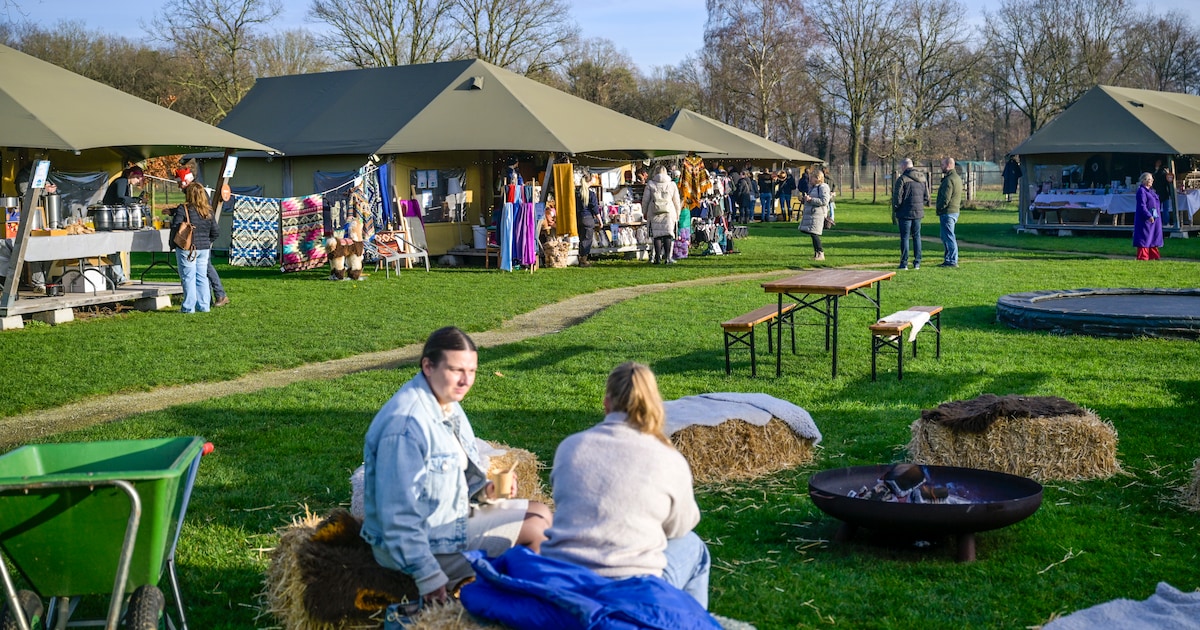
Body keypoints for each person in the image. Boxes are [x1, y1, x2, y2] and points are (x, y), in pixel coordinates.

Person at [360, 327, 553, 604]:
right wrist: (428, 577)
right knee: (536, 531)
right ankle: (526, 610)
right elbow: (397, 519)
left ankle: (517, 600)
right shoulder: (405, 426)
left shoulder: (447, 402)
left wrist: (488, 493)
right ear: (428, 365)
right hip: (414, 548)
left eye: (472, 371)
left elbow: (452, 485)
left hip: (445, 522)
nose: (466, 380)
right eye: (456, 370)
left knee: (541, 512)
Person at [540, 362, 711, 609]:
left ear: (606, 402)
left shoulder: (570, 447)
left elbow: (564, 501)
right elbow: (681, 526)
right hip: (630, 584)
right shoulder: (668, 459)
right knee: (694, 545)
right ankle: (685, 621)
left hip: (564, 576)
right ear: (655, 403)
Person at [170, 169, 230, 307]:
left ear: (185, 181)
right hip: (203, 244)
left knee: (190, 277)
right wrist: (207, 241)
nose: (179, 186)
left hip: (191, 246)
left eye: (179, 182)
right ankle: (205, 303)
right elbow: (213, 227)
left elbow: (184, 217)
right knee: (202, 276)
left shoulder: (187, 202)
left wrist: (173, 244)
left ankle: (202, 301)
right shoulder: (205, 206)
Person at [892, 158, 929, 270]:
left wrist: (896, 208)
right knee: (917, 237)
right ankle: (917, 262)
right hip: (918, 212)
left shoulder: (902, 179)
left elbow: (897, 198)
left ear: (904, 167)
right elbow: (926, 196)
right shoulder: (922, 178)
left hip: (904, 213)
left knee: (905, 237)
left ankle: (904, 263)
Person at [644, 165, 682, 265]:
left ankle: (657, 258)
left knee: (657, 236)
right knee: (667, 235)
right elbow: (676, 201)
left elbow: (645, 200)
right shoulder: (672, 184)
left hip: (654, 212)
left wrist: (644, 212)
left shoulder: (650, 184)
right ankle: (668, 258)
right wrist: (678, 213)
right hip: (669, 212)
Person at [798, 169, 831, 261]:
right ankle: (817, 254)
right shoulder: (813, 187)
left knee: (814, 234)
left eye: (811, 178)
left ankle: (820, 253)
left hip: (817, 214)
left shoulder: (823, 187)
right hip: (811, 214)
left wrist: (811, 200)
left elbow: (824, 201)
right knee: (812, 234)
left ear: (817, 178)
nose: (810, 179)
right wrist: (804, 199)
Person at [936, 158, 963, 268]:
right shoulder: (956, 178)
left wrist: (940, 208)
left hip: (948, 211)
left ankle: (952, 260)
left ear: (948, 165)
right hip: (954, 210)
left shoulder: (949, 180)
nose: (941, 167)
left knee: (948, 236)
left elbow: (945, 198)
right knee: (946, 236)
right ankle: (948, 258)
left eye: (942, 165)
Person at [1133, 172, 1163, 260]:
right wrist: (1148, 215)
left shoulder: (1151, 191)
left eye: (1151, 179)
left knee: (1153, 237)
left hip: (1155, 218)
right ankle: (1143, 256)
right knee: (1145, 237)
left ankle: (1153, 256)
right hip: (1145, 219)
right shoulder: (1141, 191)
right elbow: (1142, 206)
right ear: (1144, 181)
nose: (1151, 181)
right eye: (1149, 179)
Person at [576, 171, 598, 267]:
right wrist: (600, 221)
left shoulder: (577, 193)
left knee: (581, 239)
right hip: (588, 218)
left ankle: (581, 258)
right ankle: (584, 260)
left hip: (579, 218)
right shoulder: (591, 194)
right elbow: (595, 209)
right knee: (587, 239)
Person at [1153, 159, 1175, 227]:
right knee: (1166, 209)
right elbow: (1169, 184)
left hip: (1158, 192)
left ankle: (1157, 222)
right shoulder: (1165, 174)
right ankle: (1166, 222)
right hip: (1165, 192)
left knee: (1157, 208)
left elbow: (1155, 183)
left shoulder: (1157, 174)